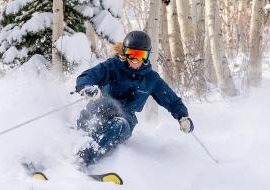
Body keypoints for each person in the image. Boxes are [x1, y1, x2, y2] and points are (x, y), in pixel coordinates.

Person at [75, 31, 194, 166]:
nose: (135, 59)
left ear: (147, 56)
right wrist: (86, 86)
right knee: (89, 113)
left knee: (119, 125)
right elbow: (88, 76)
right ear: (125, 52)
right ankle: (68, 147)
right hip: (101, 108)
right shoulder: (112, 66)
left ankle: (82, 159)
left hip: (125, 118)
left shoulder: (151, 79)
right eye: (131, 54)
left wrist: (182, 116)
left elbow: (172, 100)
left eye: (140, 55)